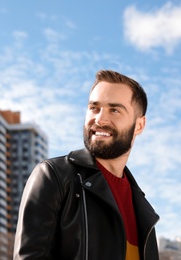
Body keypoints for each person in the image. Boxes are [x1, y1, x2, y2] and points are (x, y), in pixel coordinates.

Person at [14, 70, 160, 260]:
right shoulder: (55, 176)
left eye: (114, 110)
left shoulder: (145, 212)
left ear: (139, 125)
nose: (100, 119)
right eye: (94, 108)